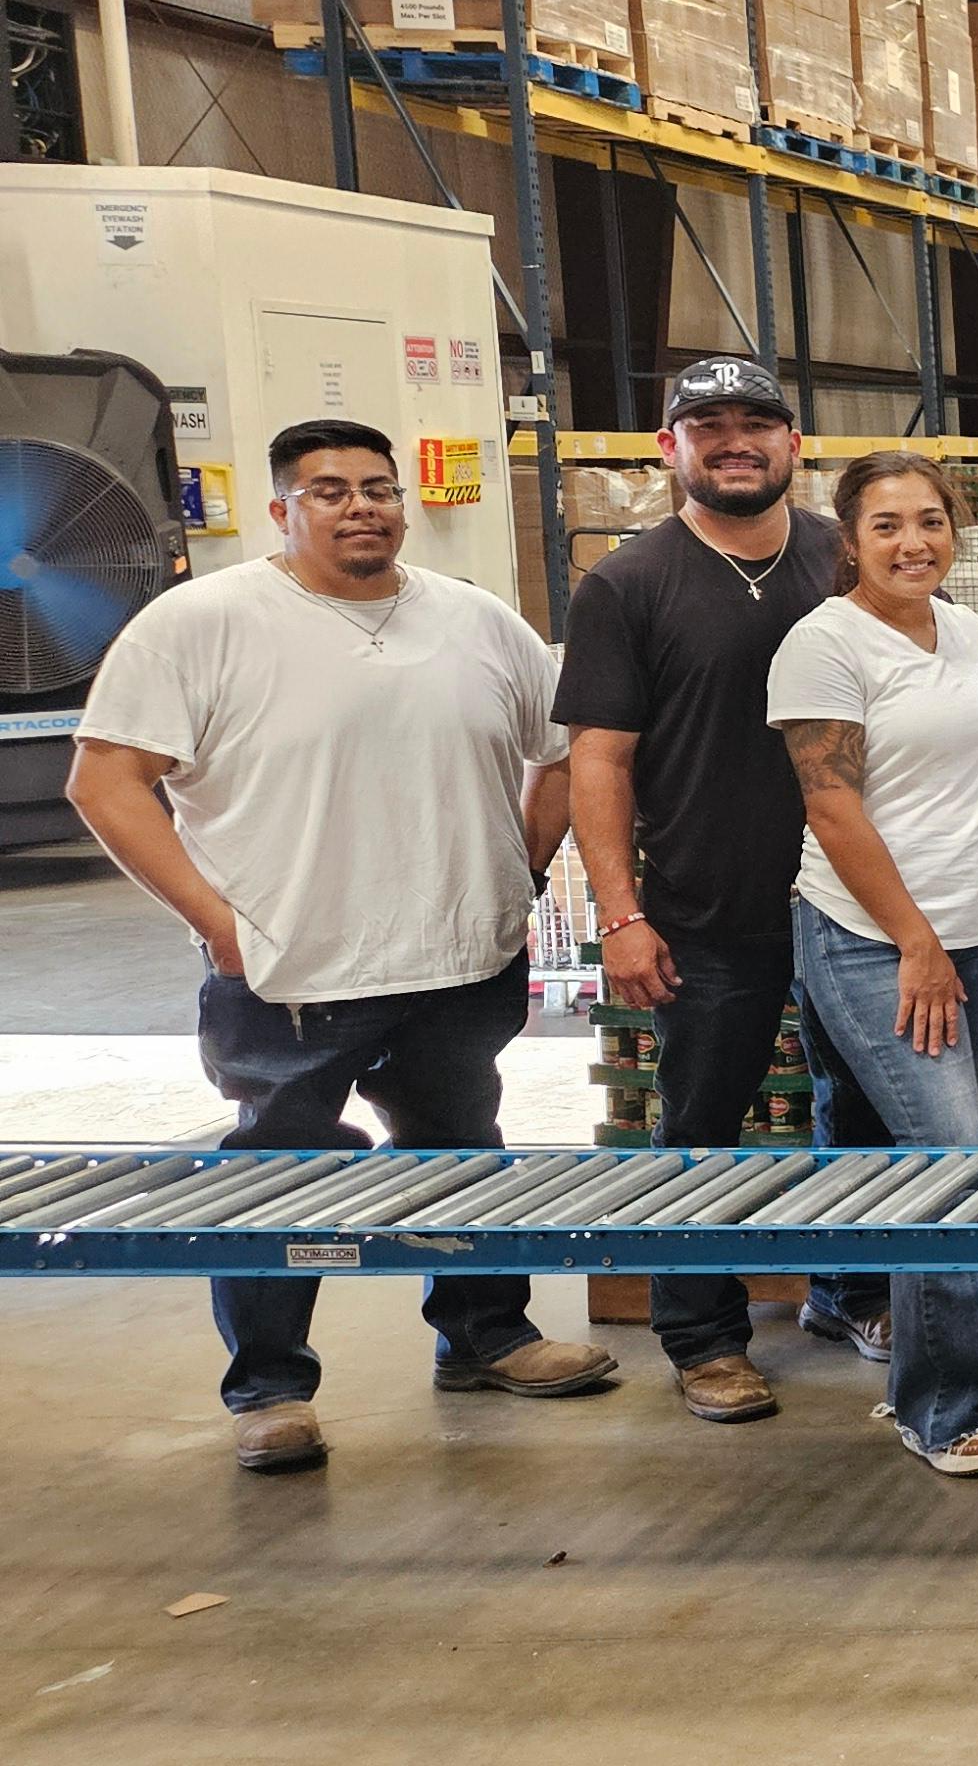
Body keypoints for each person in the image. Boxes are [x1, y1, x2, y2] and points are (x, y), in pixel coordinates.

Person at [68, 418, 614, 1474]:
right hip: (288, 969)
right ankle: (270, 1386)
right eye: (327, 491)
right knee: (278, 1167)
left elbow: (560, 754)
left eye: (376, 487)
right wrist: (214, 924)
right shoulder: (202, 623)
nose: (359, 506)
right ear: (282, 510)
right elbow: (105, 782)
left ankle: (487, 1332)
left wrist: (520, 871)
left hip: (459, 956)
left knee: (461, 1148)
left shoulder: (477, 622)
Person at [556, 356, 889, 1425]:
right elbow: (598, 762)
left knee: (870, 1111)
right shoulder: (625, 584)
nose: (734, 441)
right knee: (702, 1124)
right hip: (709, 909)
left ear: (796, 445)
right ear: (670, 448)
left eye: (758, 423)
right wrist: (622, 911)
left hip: (849, 904)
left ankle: (852, 1293)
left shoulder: (847, 561)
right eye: (709, 425)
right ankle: (701, 1337)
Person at [768, 452, 978, 1477]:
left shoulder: (967, 632)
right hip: (873, 940)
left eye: (930, 521)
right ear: (851, 541)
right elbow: (830, 805)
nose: (913, 541)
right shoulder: (823, 645)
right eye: (887, 525)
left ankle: (915, 1336)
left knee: (917, 1150)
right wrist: (916, 940)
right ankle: (944, 1399)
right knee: (953, 1161)